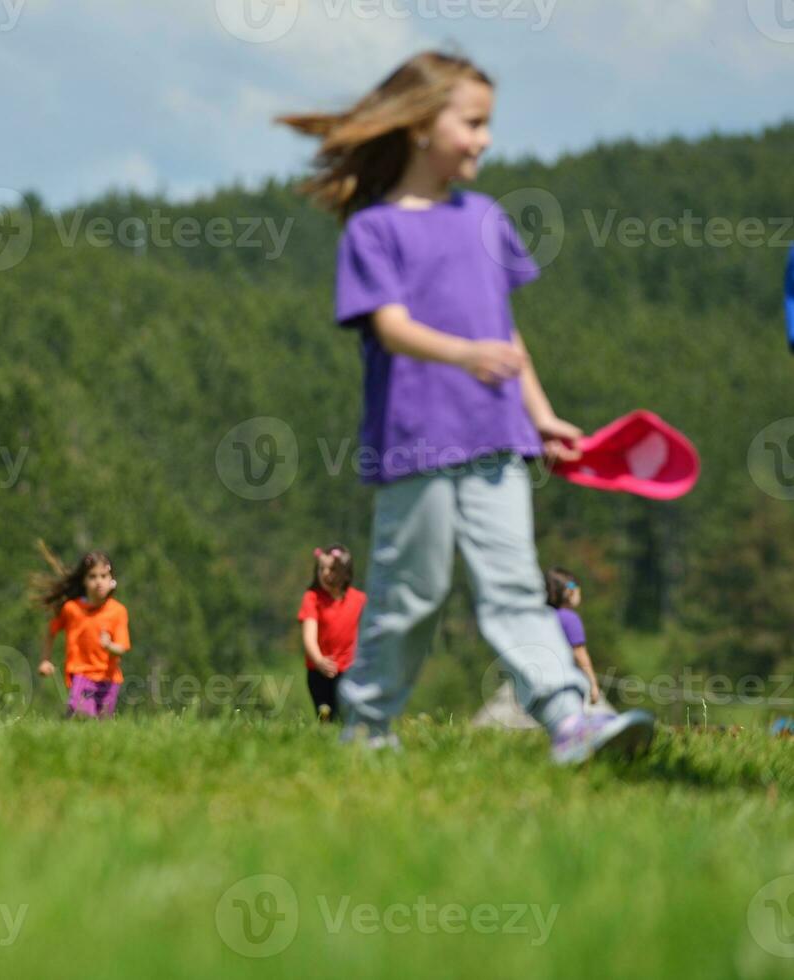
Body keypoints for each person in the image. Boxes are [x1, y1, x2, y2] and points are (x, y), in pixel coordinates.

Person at [278, 50, 653, 763]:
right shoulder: (373, 230)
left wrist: (540, 415)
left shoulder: (484, 218)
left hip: (496, 439)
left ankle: (570, 720)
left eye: (488, 125)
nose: (484, 139)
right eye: (472, 123)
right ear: (420, 126)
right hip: (414, 443)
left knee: (514, 588)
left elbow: (506, 331)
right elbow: (388, 325)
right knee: (408, 598)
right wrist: (464, 355)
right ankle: (364, 729)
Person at [35, 549, 131, 719]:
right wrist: (45, 660)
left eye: (104, 576)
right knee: (82, 715)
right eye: (92, 577)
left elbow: (122, 648)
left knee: (103, 726)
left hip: (109, 678)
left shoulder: (118, 611)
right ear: (84, 581)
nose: (99, 582)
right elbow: (50, 632)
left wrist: (109, 646)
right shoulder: (72, 609)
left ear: (112, 580)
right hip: (81, 674)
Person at [298, 545, 367, 723]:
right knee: (326, 719)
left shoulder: (359, 600)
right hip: (319, 671)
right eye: (322, 569)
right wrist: (319, 660)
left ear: (346, 573)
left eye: (333, 569)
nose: (326, 573)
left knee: (348, 718)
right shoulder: (312, 598)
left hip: (349, 671)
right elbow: (309, 635)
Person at [544, 568, 604, 705]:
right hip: (565, 682)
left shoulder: (544, 617)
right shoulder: (570, 619)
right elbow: (579, 653)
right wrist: (593, 684)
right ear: (569, 592)